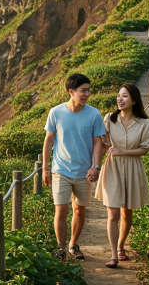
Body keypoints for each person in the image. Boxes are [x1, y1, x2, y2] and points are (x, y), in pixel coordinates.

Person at [42, 73, 106, 261]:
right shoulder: (56, 112)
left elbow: (97, 142)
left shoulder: (94, 114)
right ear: (71, 92)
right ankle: (61, 248)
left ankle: (73, 244)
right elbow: (49, 140)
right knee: (61, 210)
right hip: (60, 170)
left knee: (80, 210)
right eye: (83, 90)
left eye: (88, 90)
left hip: (84, 171)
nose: (87, 94)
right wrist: (45, 168)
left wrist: (96, 166)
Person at [95, 83, 149, 268]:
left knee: (126, 212)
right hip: (112, 167)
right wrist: (94, 166)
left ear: (135, 100)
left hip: (133, 167)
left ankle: (121, 246)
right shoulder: (109, 119)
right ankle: (113, 255)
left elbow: (145, 149)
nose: (120, 99)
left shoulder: (144, 123)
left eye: (125, 96)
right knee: (112, 213)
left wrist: (123, 152)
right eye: (119, 96)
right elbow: (102, 143)